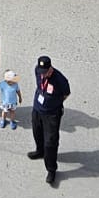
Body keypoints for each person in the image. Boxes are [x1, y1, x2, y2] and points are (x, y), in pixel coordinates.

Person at [28, 55, 70, 185]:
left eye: (45, 72)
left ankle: (51, 169)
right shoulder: (38, 70)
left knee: (50, 142)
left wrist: (54, 103)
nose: (43, 75)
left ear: (50, 69)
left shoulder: (60, 79)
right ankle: (40, 151)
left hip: (52, 114)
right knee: (37, 132)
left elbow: (66, 93)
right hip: (37, 108)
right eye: (41, 72)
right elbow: (40, 85)